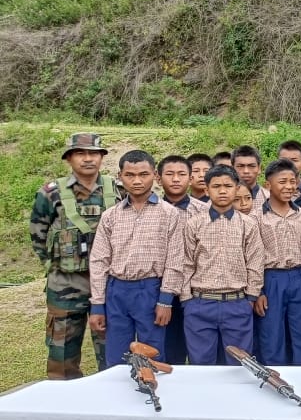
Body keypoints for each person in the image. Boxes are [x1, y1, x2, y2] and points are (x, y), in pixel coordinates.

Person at [29, 133, 121, 379]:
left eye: (94, 154)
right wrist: (52, 266)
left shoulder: (118, 189)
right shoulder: (51, 193)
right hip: (66, 284)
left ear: (102, 158)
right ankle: (64, 399)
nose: (88, 159)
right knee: (61, 351)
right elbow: (37, 232)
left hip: (110, 282)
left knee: (112, 348)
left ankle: (113, 398)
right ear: (69, 158)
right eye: (81, 153)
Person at [88, 150, 183, 369]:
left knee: (152, 352)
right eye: (130, 175)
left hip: (150, 290)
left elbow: (175, 260)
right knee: (116, 356)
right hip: (117, 291)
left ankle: (152, 396)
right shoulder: (111, 215)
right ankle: (118, 399)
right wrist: (98, 305)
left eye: (143, 174)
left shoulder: (169, 214)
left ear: (155, 176)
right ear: (120, 176)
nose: (137, 180)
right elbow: (99, 261)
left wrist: (165, 300)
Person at [180, 164, 265, 365]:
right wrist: (186, 300)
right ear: (207, 190)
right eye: (216, 186)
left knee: (240, 363)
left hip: (237, 303)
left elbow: (255, 261)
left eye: (228, 185)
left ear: (236, 189)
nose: (223, 190)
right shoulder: (194, 223)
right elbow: (185, 263)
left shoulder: (248, 224)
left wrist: (251, 297)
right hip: (200, 303)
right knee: (201, 362)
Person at [255, 160, 301, 365]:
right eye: (283, 181)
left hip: (300, 277)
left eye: (293, 181)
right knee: (272, 334)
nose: (289, 186)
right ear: (268, 185)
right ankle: (275, 379)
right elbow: (252, 256)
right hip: (271, 278)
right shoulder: (256, 217)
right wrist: (259, 291)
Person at [156, 155, 199, 364]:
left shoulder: (205, 211)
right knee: (167, 344)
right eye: (169, 174)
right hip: (161, 287)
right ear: (158, 178)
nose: (175, 179)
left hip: (196, 288)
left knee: (199, 345)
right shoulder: (152, 211)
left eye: (181, 174)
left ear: (190, 179)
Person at [231, 146, 268, 212]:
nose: (246, 171)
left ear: (259, 169)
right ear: (231, 169)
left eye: (251, 166)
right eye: (240, 166)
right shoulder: (222, 199)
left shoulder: (269, 199)